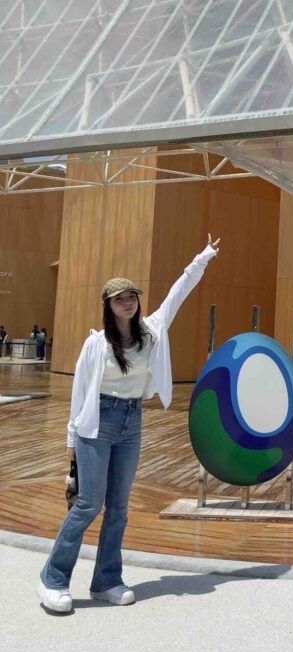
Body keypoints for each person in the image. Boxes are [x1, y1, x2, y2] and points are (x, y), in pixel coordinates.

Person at [37, 235, 221, 615]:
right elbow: (79, 392)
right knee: (88, 503)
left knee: (118, 508)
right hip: (97, 422)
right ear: (108, 305)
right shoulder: (97, 344)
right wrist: (71, 440)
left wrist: (202, 258)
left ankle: (106, 580)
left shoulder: (151, 331)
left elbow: (178, 292)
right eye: (120, 298)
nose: (129, 301)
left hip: (132, 420)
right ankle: (53, 578)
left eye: (132, 296)